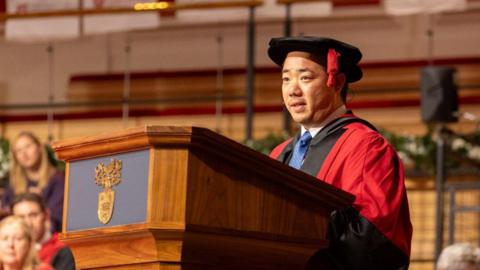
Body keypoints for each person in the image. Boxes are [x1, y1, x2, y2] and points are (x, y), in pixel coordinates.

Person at [268, 36, 412, 269]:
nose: (293, 90)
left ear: (336, 82)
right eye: (286, 79)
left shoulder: (366, 146)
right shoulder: (279, 153)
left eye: (305, 78)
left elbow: (372, 238)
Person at [1, 132, 64, 233]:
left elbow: (58, 221)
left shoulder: (57, 180)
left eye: (28, 146)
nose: (24, 154)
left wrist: (38, 202)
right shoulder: (13, 184)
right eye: (18, 150)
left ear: (39, 147)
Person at [11, 193, 75, 270]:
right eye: (21, 217)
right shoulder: (9, 252)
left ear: (46, 215)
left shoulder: (63, 249)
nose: (28, 223)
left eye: (33, 215)